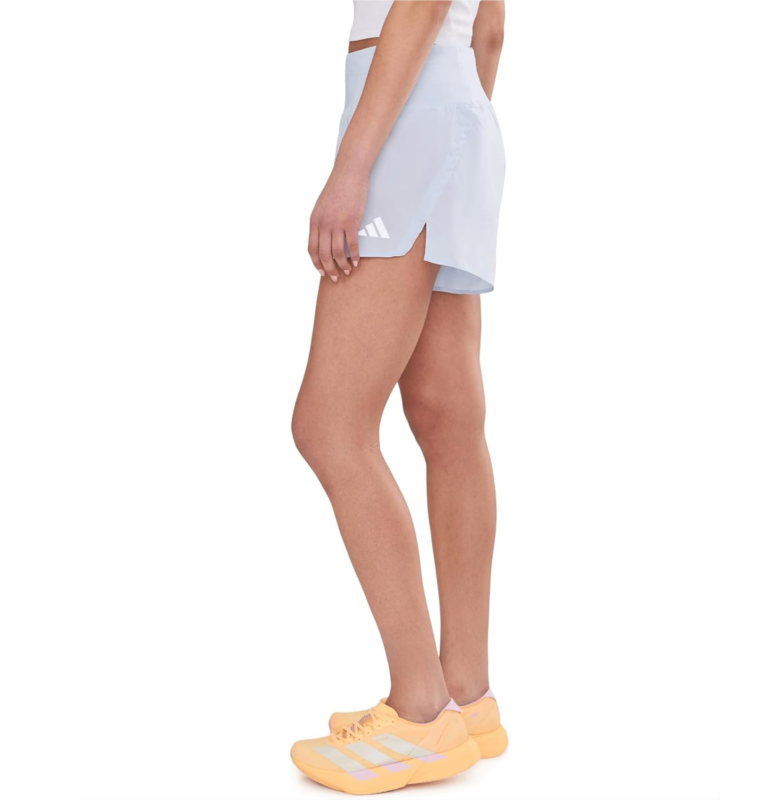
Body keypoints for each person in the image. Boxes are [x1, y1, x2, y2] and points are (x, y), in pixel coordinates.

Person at [291, 0, 507, 792]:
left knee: (328, 426)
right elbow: (489, 29)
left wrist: (354, 167)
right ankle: (466, 695)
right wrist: (458, 129)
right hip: (455, 111)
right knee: (447, 417)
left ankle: (420, 710)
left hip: (406, 114)